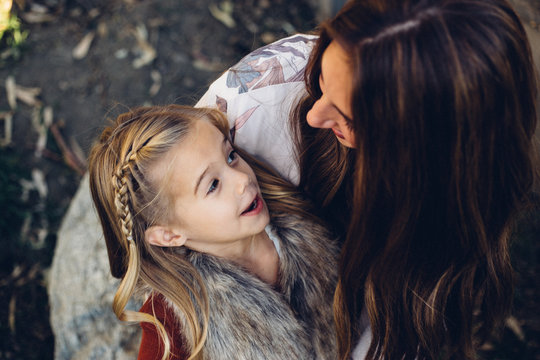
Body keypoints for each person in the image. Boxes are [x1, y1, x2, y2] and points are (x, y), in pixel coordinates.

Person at [196, 0, 539, 359]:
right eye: (322, 80)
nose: (315, 115)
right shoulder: (250, 105)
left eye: (351, 119)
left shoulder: (461, 198)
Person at [87, 105, 338, 360]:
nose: (242, 180)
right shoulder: (174, 322)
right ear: (170, 235)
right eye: (213, 185)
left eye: (230, 156)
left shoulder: (292, 204)